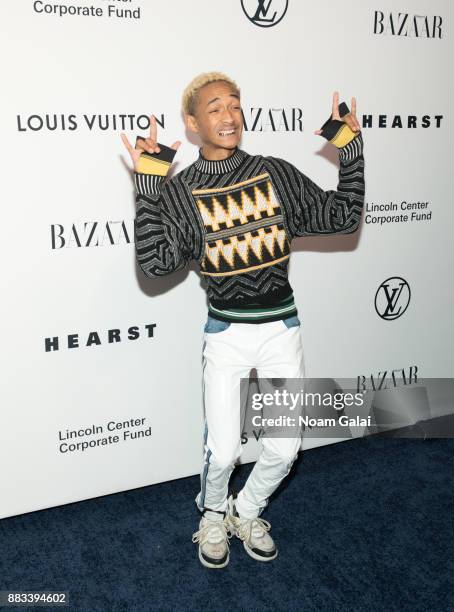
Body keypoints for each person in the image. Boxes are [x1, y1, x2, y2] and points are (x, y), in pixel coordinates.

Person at [121, 71, 364, 569]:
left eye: (234, 104)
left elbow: (341, 217)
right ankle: (212, 512)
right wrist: (148, 187)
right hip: (226, 334)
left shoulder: (274, 173)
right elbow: (156, 263)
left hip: (281, 330)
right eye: (214, 108)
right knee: (226, 449)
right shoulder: (182, 190)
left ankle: (245, 510)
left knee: (284, 446)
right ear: (192, 123)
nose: (228, 115)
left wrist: (351, 149)